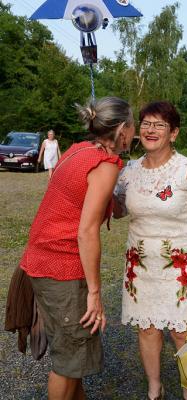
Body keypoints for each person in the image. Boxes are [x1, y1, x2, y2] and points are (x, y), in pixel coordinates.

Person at [20, 96, 135, 400]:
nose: (135, 132)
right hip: (63, 269)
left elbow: (72, 197)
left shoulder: (77, 150)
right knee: (70, 359)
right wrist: (95, 294)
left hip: (39, 263)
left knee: (74, 355)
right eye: (134, 124)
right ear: (122, 129)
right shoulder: (106, 163)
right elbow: (85, 232)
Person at [113, 101, 187, 400]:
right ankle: (154, 388)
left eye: (159, 125)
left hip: (182, 266)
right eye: (146, 123)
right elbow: (119, 210)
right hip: (141, 265)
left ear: (173, 133)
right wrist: (102, 186)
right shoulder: (129, 171)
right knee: (147, 328)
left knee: (183, 332)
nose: (150, 129)